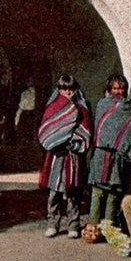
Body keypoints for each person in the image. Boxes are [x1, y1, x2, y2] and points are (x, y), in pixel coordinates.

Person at [37, 74, 92, 239]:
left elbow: (86, 130)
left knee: (72, 192)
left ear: (75, 89)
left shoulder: (82, 108)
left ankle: (73, 225)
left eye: (70, 88)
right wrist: (56, 140)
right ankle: (52, 224)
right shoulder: (52, 107)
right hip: (56, 156)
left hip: (72, 156)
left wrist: (74, 142)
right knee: (54, 192)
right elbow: (46, 129)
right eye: (64, 88)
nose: (67, 92)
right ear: (58, 89)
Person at [87, 74, 131, 229]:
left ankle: (108, 226)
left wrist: (124, 148)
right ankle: (93, 225)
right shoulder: (103, 105)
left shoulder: (130, 107)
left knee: (113, 193)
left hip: (117, 155)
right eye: (115, 88)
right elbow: (100, 128)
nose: (118, 92)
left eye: (121, 88)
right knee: (97, 192)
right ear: (109, 89)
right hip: (101, 154)